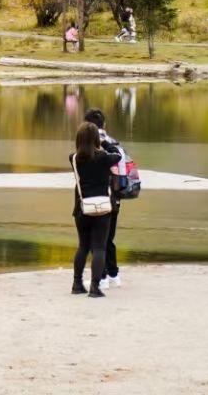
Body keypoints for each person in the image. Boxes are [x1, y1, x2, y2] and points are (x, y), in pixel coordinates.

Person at [70, 121, 119, 297]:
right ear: (96, 139)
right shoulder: (104, 158)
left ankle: (77, 284)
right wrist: (105, 142)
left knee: (83, 246)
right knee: (99, 248)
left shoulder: (74, 158)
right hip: (102, 209)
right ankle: (95, 287)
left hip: (82, 208)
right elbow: (117, 155)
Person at [84, 108, 125, 287]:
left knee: (97, 239)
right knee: (109, 238)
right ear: (104, 124)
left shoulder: (86, 145)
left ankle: (101, 278)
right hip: (114, 196)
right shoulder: (115, 144)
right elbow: (122, 170)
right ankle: (114, 275)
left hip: (95, 196)